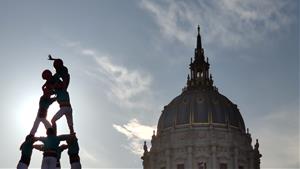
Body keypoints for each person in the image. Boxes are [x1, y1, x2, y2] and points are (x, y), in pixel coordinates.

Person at [48, 55, 74, 134]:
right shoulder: (60, 91)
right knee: (70, 126)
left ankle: (54, 135)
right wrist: (53, 59)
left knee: (53, 120)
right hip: (69, 108)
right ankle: (72, 134)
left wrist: (53, 86)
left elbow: (64, 81)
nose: (55, 69)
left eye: (56, 67)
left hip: (64, 108)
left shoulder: (62, 88)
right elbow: (52, 90)